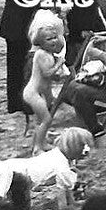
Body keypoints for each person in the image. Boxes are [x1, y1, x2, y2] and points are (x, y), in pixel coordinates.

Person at [0, 0, 44, 116]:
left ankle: (15, 103)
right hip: (20, 29)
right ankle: (20, 104)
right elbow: (30, 4)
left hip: (12, 26)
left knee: (14, 67)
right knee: (20, 67)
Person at [5, 128, 93, 210]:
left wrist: (72, 202)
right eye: (83, 146)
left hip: (15, 166)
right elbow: (61, 199)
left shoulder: (56, 155)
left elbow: (67, 189)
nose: (87, 151)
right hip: (15, 174)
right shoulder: (62, 167)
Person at [24, 25, 68, 155]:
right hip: (33, 93)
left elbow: (51, 77)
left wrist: (59, 75)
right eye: (49, 39)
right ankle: (37, 148)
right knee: (46, 119)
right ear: (41, 42)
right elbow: (47, 73)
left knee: (41, 120)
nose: (54, 41)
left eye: (55, 38)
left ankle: (40, 142)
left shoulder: (49, 54)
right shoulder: (41, 54)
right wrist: (59, 64)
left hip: (41, 92)